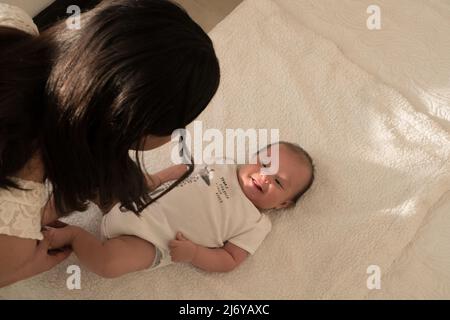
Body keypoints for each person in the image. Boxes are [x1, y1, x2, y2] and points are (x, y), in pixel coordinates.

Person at [0, 0, 220, 287]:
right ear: (132, 127)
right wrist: (22, 269)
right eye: (180, 124)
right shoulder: (13, 231)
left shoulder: (12, 22)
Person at [45, 142, 315, 277]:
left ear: (283, 204)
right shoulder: (224, 166)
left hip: (152, 241)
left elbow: (230, 260)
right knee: (95, 174)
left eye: (278, 182)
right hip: (135, 198)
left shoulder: (256, 223)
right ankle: (41, 214)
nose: (266, 176)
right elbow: (185, 175)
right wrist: (159, 178)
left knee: (109, 264)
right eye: (265, 163)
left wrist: (195, 253)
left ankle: (73, 236)